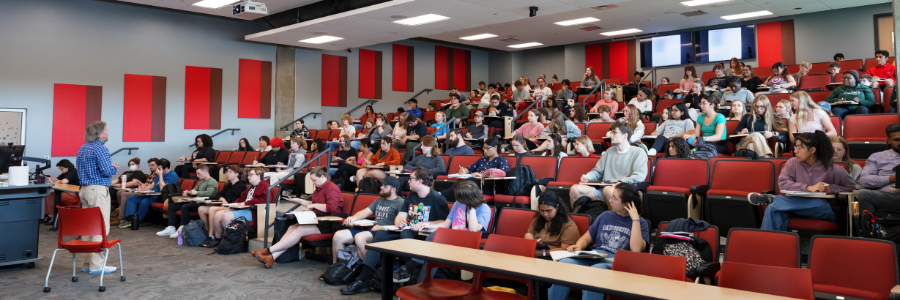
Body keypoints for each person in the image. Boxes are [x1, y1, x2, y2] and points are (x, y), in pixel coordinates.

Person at [341, 167, 449, 295]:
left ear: (419, 181)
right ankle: (363, 280)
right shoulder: (411, 197)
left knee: (405, 234)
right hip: (407, 232)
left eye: (411, 179)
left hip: (424, 236)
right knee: (381, 235)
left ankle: (408, 272)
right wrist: (400, 222)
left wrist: (426, 224)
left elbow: (445, 223)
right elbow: (400, 217)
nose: (408, 181)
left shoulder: (437, 198)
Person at [549, 182, 649, 300]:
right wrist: (579, 246)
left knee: (595, 272)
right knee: (564, 264)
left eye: (614, 198)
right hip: (595, 256)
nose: (610, 200)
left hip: (616, 263)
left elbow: (636, 249)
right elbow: (587, 237)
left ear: (626, 204)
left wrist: (635, 219)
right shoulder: (605, 215)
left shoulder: (641, 223)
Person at [748, 131, 856, 231]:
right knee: (771, 209)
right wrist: (808, 187)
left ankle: (775, 200)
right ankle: (769, 247)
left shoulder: (833, 169)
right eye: (795, 147)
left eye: (800, 147)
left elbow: (852, 186)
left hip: (821, 210)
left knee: (819, 203)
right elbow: (783, 184)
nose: (795, 151)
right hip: (794, 207)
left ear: (812, 150)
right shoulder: (792, 163)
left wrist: (831, 188)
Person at [252, 167, 342, 268]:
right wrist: (300, 201)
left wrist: (314, 205)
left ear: (322, 177)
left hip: (330, 220)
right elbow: (315, 203)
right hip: (318, 218)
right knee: (291, 227)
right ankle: (271, 257)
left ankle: (268, 251)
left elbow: (331, 207)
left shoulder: (332, 188)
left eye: (314, 180)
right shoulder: (319, 187)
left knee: (299, 230)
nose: (312, 183)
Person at [74, 121, 120, 274]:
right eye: (106, 130)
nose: (108, 132)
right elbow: (107, 171)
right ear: (100, 134)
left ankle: (87, 263)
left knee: (89, 228)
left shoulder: (83, 148)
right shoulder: (100, 148)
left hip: (85, 190)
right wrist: (114, 167)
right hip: (98, 191)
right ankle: (97, 265)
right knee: (100, 228)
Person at [568, 122, 648, 208]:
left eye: (614, 132)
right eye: (611, 132)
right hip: (604, 190)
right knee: (574, 189)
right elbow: (597, 171)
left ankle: (612, 220)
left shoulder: (639, 152)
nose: (610, 135)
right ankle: (579, 220)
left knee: (609, 190)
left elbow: (640, 175)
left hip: (625, 191)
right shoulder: (609, 151)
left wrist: (621, 182)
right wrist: (588, 176)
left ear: (625, 135)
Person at [331, 176, 404, 263]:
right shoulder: (380, 199)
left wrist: (382, 227)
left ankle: (368, 269)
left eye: (385, 186)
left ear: (393, 189)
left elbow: (400, 223)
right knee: (338, 236)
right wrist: (353, 217)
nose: (381, 187)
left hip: (383, 232)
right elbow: (365, 211)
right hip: (371, 228)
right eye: (381, 185)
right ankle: (336, 268)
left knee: (360, 238)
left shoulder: (400, 202)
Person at [156, 164, 219, 238]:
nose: (197, 175)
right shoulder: (201, 182)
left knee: (185, 207)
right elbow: (194, 190)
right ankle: (171, 227)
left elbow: (209, 193)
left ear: (205, 172)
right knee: (172, 206)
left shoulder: (212, 181)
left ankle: (182, 228)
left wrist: (196, 193)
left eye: (199, 173)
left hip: (204, 204)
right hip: (196, 202)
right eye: (197, 173)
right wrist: (188, 192)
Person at [856, 124, 900, 218]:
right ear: (889, 141)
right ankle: (870, 231)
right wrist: (892, 179)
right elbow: (864, 180)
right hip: (889, 197)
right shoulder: (877, 157)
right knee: (863, 194)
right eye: (896, 140)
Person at [198, 165, 247, 247]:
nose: (228, 174)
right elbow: (220, 194)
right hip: (225, 204)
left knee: (212, 209)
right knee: (201, 209)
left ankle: (211, 237)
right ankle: (208, 232)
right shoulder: (228, 184)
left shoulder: (241, 186)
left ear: (237, 174)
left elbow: (235, 201)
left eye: (230, 172)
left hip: (232, 207)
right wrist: (223, 200)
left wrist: (225, 202)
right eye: (227, 172)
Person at [526, 191, 580, 258]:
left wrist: (543, 253)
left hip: (554, 257)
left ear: (557, 207)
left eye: (549, 211)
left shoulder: (568, 224)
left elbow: (565, 249)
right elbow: (529, 233)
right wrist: (530, 243)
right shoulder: (538, 218)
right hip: (537, 252)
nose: (545, 214)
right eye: (542, 211)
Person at [124, 158, 178, 224]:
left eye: (160, 169)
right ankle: (130, 219)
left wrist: (160, 175)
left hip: (162, 197)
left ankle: (137, 221)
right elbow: (151, 186)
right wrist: (143, 188)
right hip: (153, 194)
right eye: (158, 168)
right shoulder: (159, 174)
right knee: (131, 198)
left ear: (166, 168)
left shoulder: (172, 175)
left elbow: (163, 189)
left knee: (145, 201)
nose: (158, 170)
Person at [116, 158, 159, 228]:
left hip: (150, 194)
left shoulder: (158, 175)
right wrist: (141, 185)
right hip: (144, 191)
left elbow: (152, 187)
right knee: (123, 194)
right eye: (149, 165)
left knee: (124, 194)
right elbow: (147, 185)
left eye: (152, 165)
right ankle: (130, 218)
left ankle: (123, 218)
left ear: (158, 166)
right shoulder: (151, 174)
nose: (150, 167)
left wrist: (142, 186)